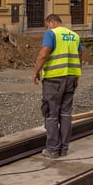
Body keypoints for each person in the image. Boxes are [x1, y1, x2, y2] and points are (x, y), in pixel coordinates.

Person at [33, 14, 83, 158]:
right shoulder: (74, 35)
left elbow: (43, 54)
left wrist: (36, 71)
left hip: (54, 79)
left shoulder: (51, 33)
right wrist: (77, 75)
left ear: (52, 22)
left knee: (51, 114)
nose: (46, 28)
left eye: (46, 25)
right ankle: (64, 148)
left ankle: (53, 149)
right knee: (66, 114)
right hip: (71, 78)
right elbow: (80, 55)